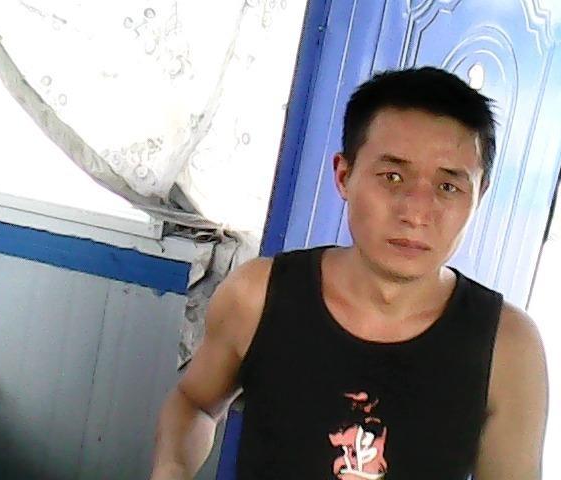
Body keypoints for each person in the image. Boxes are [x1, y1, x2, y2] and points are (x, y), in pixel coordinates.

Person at [150, 67, 548, 479]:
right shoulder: (258, 295)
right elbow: (194, 403)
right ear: (344, 175)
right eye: (392, 177)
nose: (415, 213)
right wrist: (171, 468)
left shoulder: (508, 346)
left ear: (479, 195)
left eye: (448, 187)